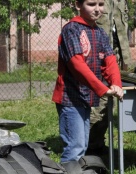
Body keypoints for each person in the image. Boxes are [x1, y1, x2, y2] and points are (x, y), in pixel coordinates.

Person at [52, 0, 124, 163]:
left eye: (101, 4)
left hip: (86, 98)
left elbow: (109, 59)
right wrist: (102, 88)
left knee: (82, 145)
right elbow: (77, 65)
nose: (97, 9)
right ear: (78, 5)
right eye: (91, 4)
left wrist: (116, 84)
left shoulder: (98, 32)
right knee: (75, 146)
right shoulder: (71, 30)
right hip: (70, 98)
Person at [87, 0, 131, 155]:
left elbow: (120, 29)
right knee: (97, 105)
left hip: (114, 56)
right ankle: (90, 146)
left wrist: (125, 58)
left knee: (108, 105)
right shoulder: (96, 3)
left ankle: (97, 143)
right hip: (95, 57)